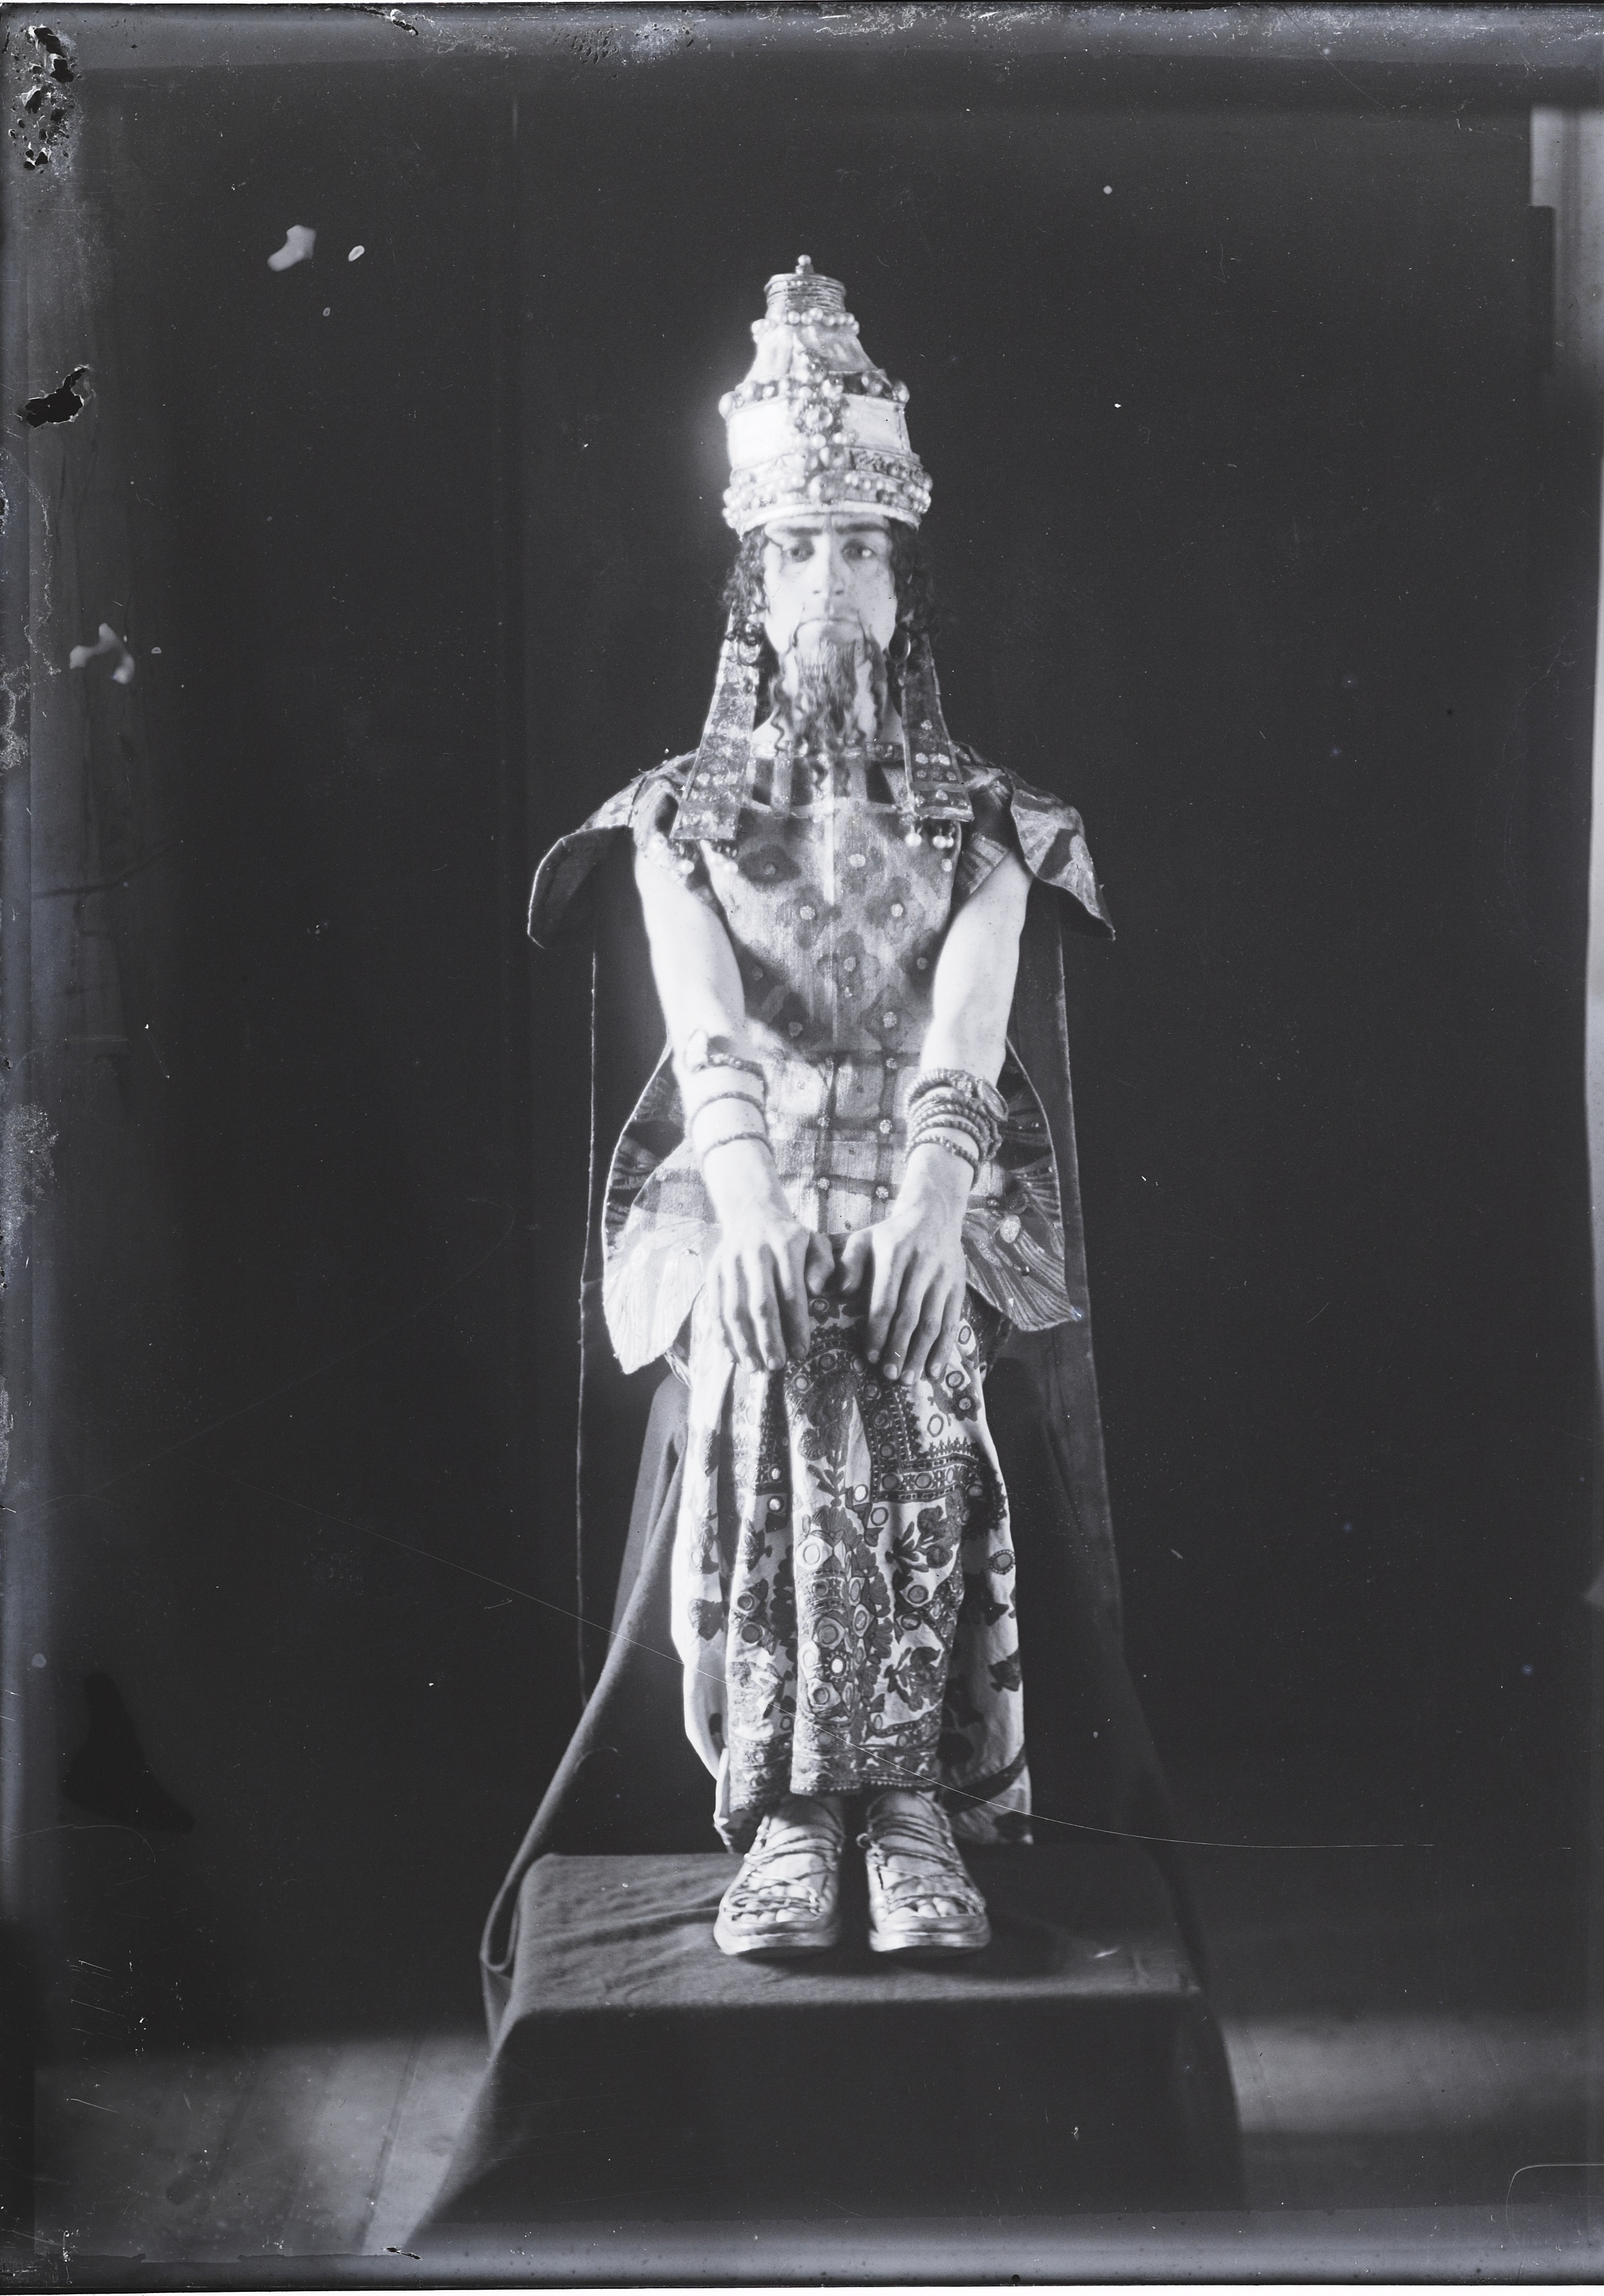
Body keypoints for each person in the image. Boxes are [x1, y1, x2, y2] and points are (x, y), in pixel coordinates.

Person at [505, 258, 1148, 1973]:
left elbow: (963, 1028)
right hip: (732, 1177)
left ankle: (919, 1801)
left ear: (903, 577)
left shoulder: (989, 819)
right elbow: (706, 1034)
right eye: (797, 552)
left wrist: (929, 1210)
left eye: (861, 549)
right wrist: (759, 1213)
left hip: (935, 1173)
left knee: (911, 1333)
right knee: (777, 1331)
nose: (831, 586)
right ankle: (793, 1807)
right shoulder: (671, 820)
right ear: (749, 581)